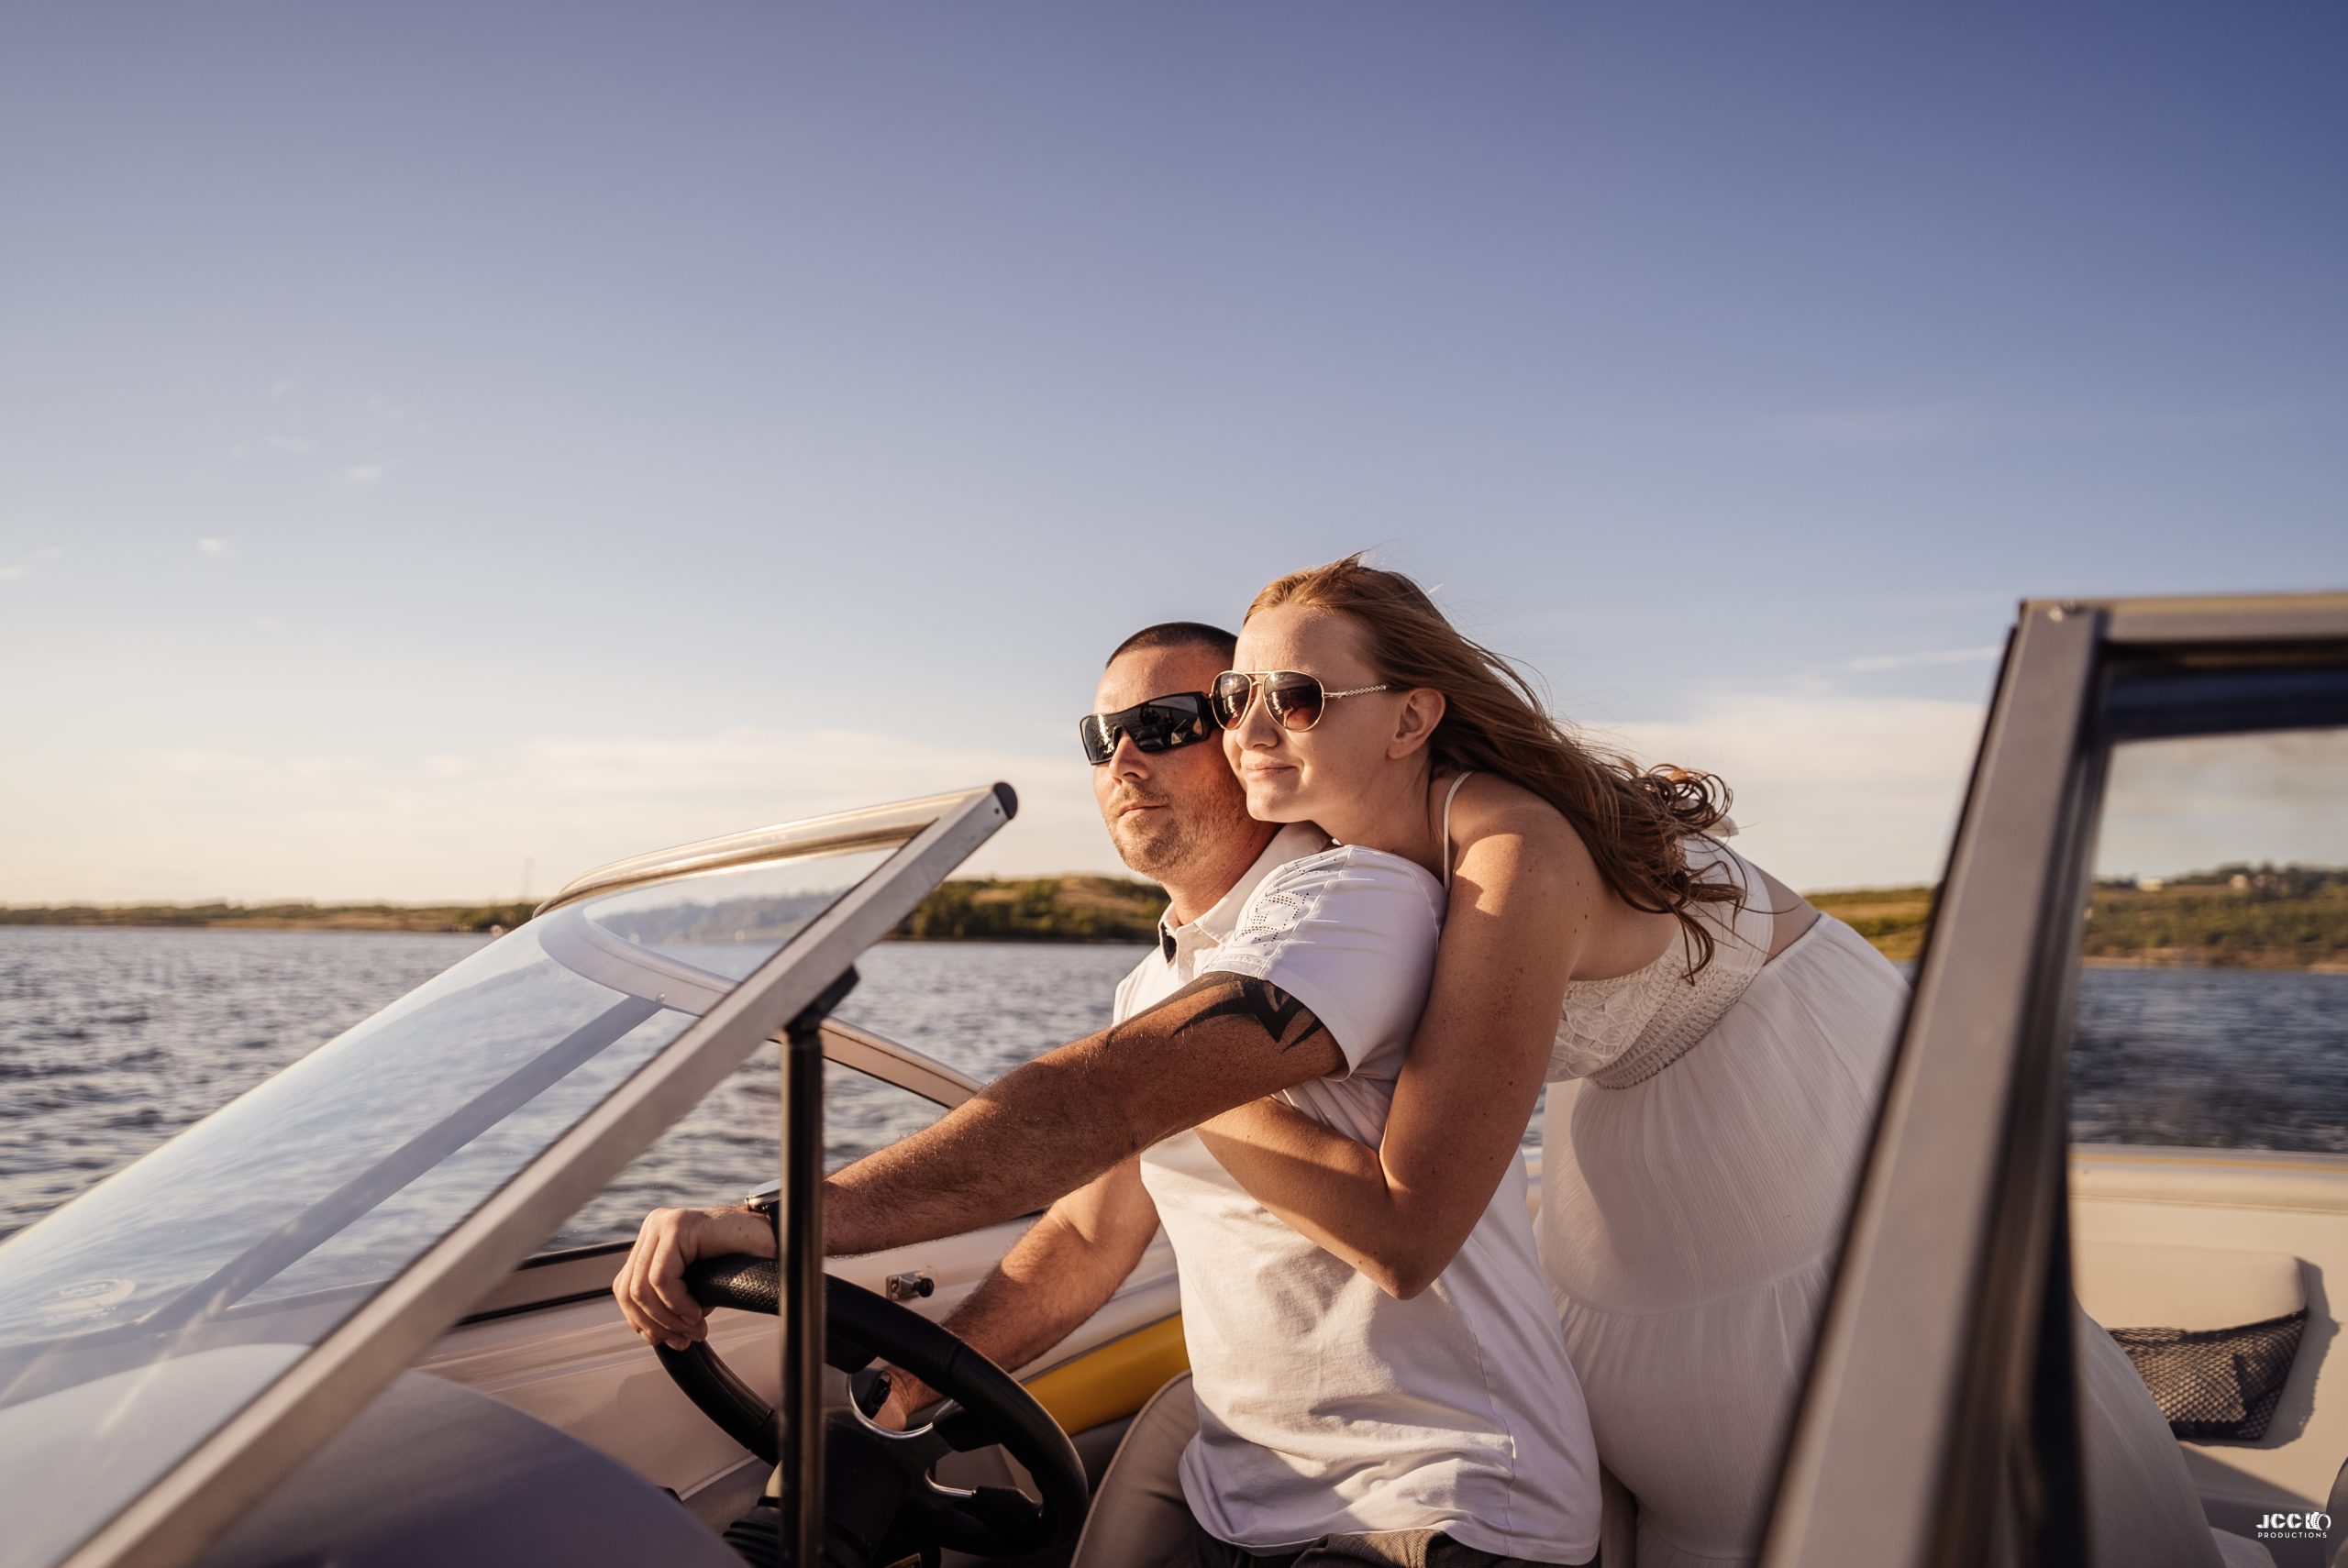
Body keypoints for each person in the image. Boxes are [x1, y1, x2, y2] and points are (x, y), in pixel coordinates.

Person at [1180, 556, 2263, 1568]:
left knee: (1854, 1412)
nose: (1250, 729)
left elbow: (1410, 1229)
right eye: (1234, 698)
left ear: (1413, 717)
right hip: (1634, 1103)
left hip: (1782, 1070)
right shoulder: (1335, 852)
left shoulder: (1511, 848)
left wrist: (1181, 1098)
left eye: (1296, 698)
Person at [615, 621, 1602, 1568]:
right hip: (1241, 1506)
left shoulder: (1359, 901)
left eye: (1165, 726)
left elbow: (1102, 1099)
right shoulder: (1149, 988)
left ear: (1251, 736)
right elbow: (1087, 1239)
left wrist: (785, 1222)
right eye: (1101, 737)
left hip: (1439, 1505)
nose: (1124, 761)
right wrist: (914, 1377)